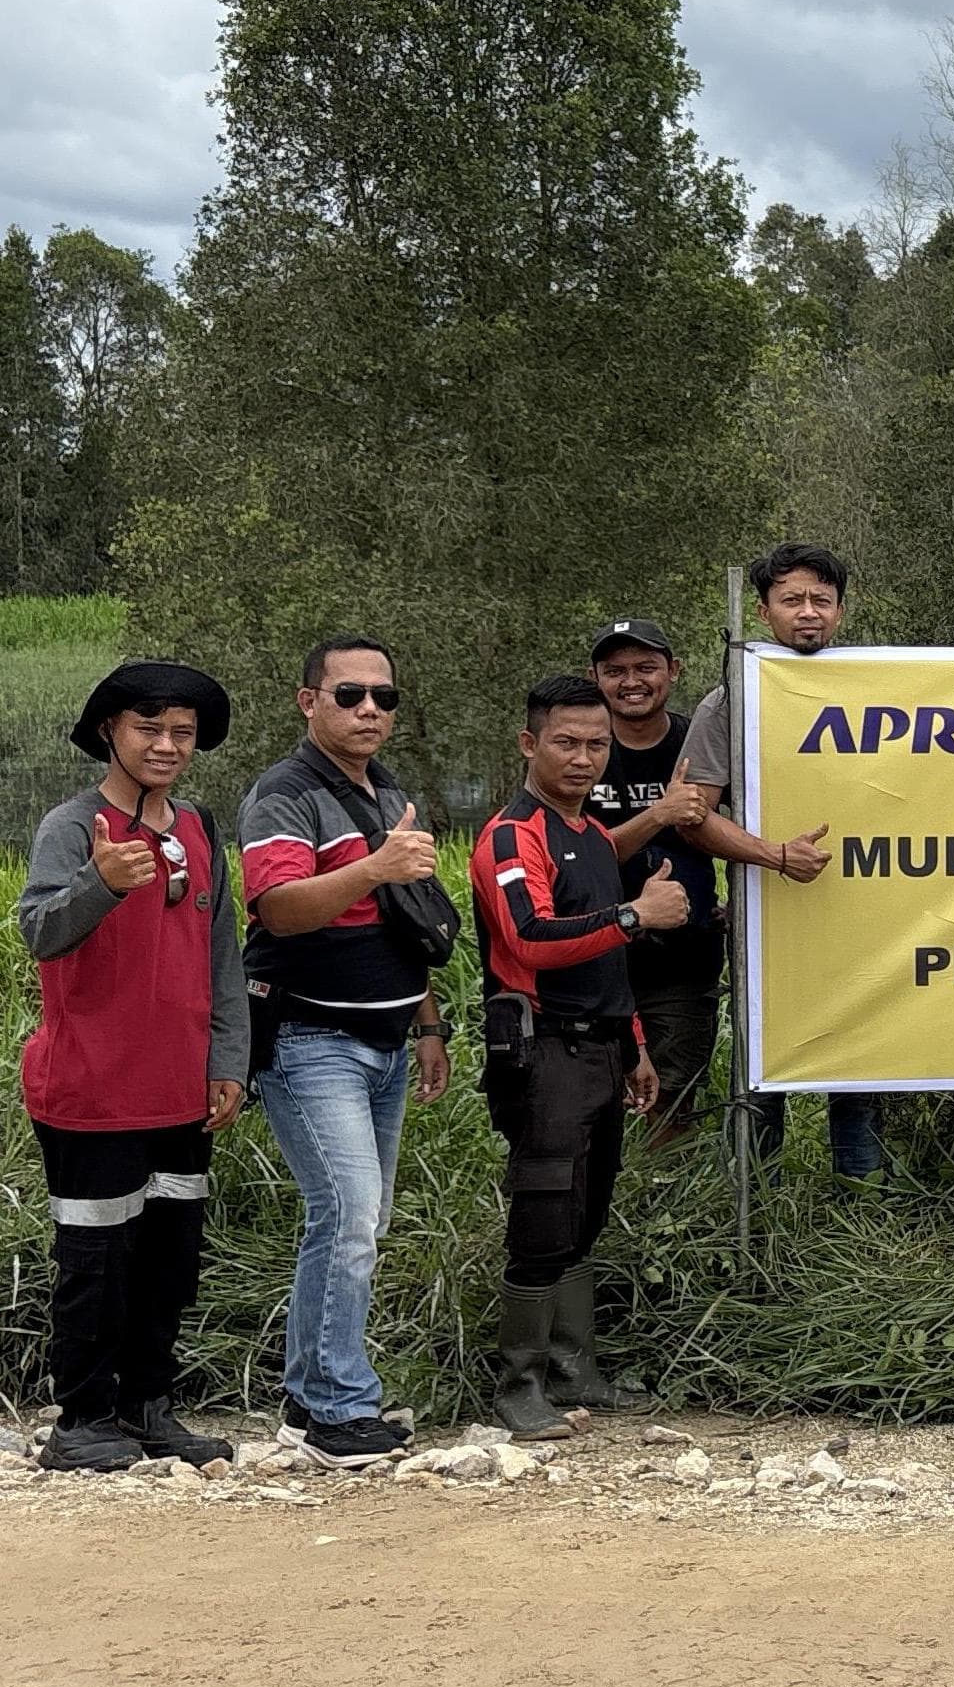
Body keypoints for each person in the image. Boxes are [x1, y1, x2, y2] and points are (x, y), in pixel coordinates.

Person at [15, 663, 249, 1471]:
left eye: (182, 731)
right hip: (89, 1088)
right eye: (148, 727)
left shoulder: (200, 828)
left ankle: (151, 1407)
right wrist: (100, 883)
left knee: (169, 1257)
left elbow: (223, 953)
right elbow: (40, 932)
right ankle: (82, 1418)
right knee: (94, 1260)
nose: (167, 744)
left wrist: (229, 1061)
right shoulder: (72, 827)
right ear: (109, 732)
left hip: (180, 1087)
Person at [242, 637, 451, 1470]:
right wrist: (374, 866)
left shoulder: (386, 790)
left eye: (385, 698)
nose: (370, 710)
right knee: (347, 1218)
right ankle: (337, 1410)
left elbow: (406, 915)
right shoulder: (285, 795)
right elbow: (280, 907)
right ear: (308, 702)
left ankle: (310, 1399)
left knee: (353, 1220)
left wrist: (429, 1022)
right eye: (351, 694)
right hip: (309, 1037)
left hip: (388, 1038)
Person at [471, 677, 688, 1436]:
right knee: (542, 1210)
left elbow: (606, 964)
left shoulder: (593, 835)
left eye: (597, 745)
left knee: (586, 1211)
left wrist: (634, 1046)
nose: (584, 758)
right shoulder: (513, 833)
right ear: (530, 744)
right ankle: (517, 1383)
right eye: (566, 742)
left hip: (602, 1048)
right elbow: (529, 937)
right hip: (541, 1050)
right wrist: (637, 912)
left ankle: (574, 1370)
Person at [665, 542, 884, 1183]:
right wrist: (774, 857)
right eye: (792, 600)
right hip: (766, 921)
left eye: (822, 600)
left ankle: (861, 1205)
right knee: (763, 1065)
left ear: (842, 611)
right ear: (763, 611)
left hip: (868, 917)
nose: (808, 613)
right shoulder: (728, 702)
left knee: (860, 1063)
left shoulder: (881, 684)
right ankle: (758, 1211)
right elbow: (693, 814)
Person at [587, 620, 722, 1150]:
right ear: (594, 677)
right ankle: (598, 1203)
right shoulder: (581, 749)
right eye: (615, 671)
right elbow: (567, 859)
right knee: (593, 1096)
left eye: (645, 668)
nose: (631, 681)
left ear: (673, 671)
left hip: (684, 959)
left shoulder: (702, 742)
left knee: (674, 1096)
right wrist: (659, 813)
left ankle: (664, 1208)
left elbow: (748, 825)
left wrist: (743, 900)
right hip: (593, 951)